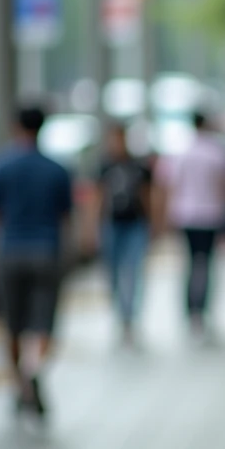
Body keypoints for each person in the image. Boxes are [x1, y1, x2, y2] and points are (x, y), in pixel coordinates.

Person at [0, 106, 73, 420]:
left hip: (11, 250)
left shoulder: (1, 165)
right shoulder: (57, 168)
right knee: (43, 324)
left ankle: (18, 385)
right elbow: (66, 215)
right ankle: (33, 372)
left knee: (12, 325)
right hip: (47, 251)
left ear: (15, 126)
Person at [154, 111, 225, 339]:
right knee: (206, 264)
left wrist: (165, 217)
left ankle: (191, 312)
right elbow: (224, 186)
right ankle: (203, 310)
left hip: (185, 216)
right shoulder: (216, 152)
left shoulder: (181, 151)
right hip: (211, 215)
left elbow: (168, 185)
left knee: (190, 264)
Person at [95, 122, 151, 345]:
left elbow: (147, 195)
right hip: (112, 225)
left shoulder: (138, 167)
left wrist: (154, 223)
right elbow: (97, 197)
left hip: (135, 225)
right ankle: (120, 314)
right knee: (113, 273)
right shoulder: (104, 167)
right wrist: (93, 228)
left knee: (133, 272)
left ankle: (129, 318)